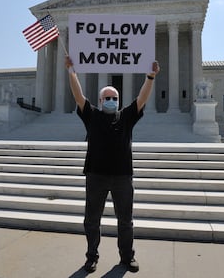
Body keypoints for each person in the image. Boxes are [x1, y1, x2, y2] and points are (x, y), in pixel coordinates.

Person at [65, 56, 160, 273]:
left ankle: (127, 257)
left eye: (114, 97)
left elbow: (142, 98)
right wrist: (72, 72)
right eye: (107, 97)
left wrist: (151, 77)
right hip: (96, 175)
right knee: (92, 220)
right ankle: (91, 258)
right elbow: (78, 96)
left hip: (122, 176)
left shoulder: (126, 116)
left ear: (118, 100)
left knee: (125, 221)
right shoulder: (92, 116)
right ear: (100, 101)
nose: (110, 100)